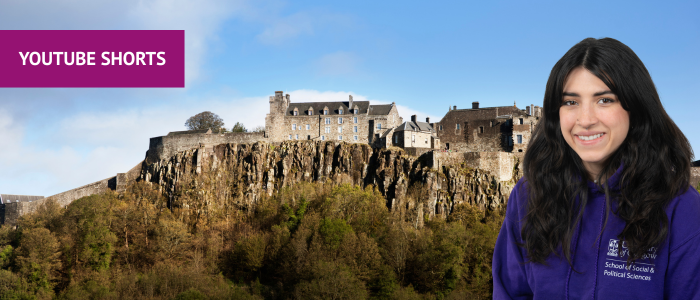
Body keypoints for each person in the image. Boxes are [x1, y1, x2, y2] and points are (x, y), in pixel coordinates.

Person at [492, 37, 700, 299]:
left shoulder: (681, 208)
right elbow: (510, 293)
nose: (586, 120)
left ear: (635, 108)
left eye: (604, 100)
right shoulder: (528, 196)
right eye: (571, 102)